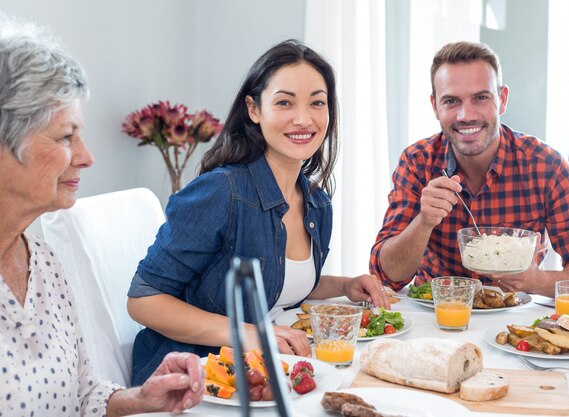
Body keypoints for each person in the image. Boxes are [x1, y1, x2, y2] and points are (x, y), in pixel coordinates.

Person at [127, 39, 390, 385]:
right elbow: (143, 299)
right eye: (284, 102)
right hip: (193, 377)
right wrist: (250, 335)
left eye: (317, 103)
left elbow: (273, 284)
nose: (303, 118)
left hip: (266, 372)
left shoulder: (317, 202)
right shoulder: (222, 191)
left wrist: (344, 285)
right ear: (254, 110)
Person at [0, 18, 205, 416]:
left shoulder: (43, 261)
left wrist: (141, 397)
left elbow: (85, 394)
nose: (87, 156)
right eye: (65, 136)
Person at [369, 41, 569, 300]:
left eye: (480, 98)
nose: (466, 114)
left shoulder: (546, 166)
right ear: (435, 107)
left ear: (502, 99)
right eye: (451, 101)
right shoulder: (417, 162)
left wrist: (536, 281)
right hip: (436, 319)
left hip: (513, 324)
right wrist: (424, 221)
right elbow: (386, 276)